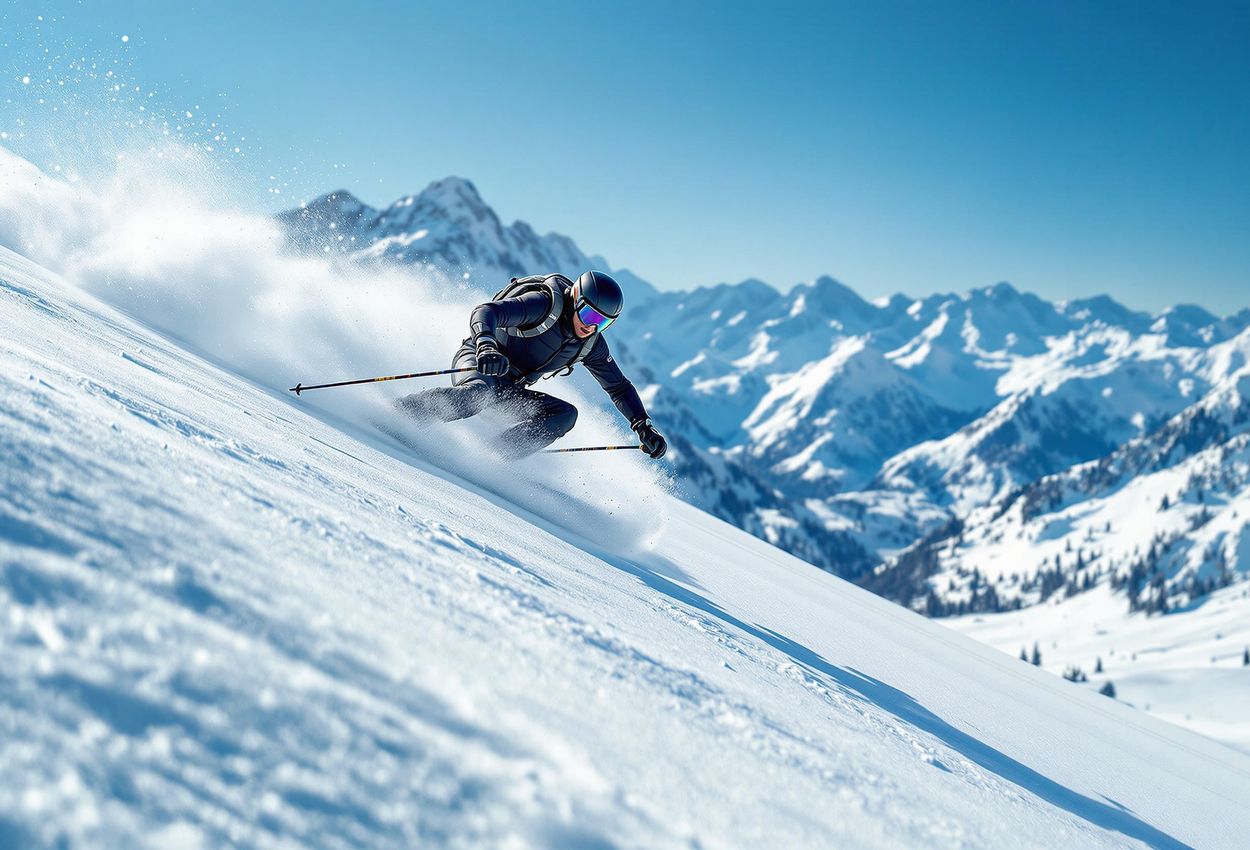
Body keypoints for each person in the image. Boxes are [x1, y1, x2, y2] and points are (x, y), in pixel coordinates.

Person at [397, 270, 667, 460]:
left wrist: (642, 425)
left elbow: (618, 387)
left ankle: (489, 459)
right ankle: (401, 414)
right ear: (575, 299)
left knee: (565, 415)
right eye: (588, 314)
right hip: (481, 361)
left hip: (508, 389)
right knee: (479, 393)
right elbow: (486, 311)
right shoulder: (544, 305)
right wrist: (486, 346)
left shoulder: (590, 344)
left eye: (603, 322)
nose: (591, 326)